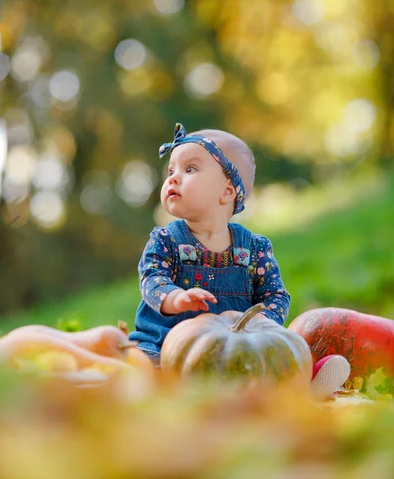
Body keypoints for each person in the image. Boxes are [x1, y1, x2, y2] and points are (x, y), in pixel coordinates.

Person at [129, 122, 350, 398]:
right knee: (142, 369)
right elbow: (152, 279)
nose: (172, 178)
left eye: (190, 169)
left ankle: (307, 383)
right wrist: (176, 298)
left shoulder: (254, 249)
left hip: (236, 355)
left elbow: (276, 295)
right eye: (171, 170)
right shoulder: (165, 240)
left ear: (228, 191)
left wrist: (262, 327)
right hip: (165, 349)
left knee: (264, 372)